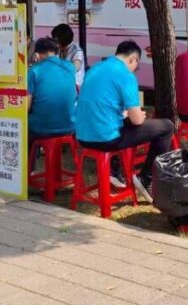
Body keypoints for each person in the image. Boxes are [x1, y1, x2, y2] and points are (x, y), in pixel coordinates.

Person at [75, 40, 173, 203]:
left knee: (122, 122)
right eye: (136, 65)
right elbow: (137, 120)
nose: (135, 69)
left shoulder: (95, 69)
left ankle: (114, 171)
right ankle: (146, 178)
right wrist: (140, 115)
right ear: (133, 59)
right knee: (167, 127)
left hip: (82, 136)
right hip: (105, 138)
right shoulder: (126, 75)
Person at [27, 36, 77, 140]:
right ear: (57, 52)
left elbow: (27, 106)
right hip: (70, 127)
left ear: (36, 55)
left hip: (41, 130)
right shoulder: (70, 67)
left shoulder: (34, 71)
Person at [51, 23, 85, 87]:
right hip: (64, 84)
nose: (55, 42)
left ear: (62, 39)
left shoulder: (77, 51)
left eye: (56, 40)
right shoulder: (59, 49)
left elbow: (75, 67)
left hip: (75, 86)